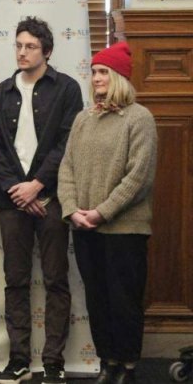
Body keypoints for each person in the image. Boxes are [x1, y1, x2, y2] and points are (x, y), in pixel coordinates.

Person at [0, 17, 83, 384]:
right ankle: (19, 359)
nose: (22, 52)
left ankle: (54, 360)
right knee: (16, 280)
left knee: (57, 279)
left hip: (53, 197)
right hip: (13, 200)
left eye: (29, 46)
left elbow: (67, 143)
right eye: (18, 45)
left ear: (47, 51)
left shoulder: (68, 89)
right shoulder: (0, 94)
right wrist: (19, 190)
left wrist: (39, 184)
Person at [58, 42, 157, 384]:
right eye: (95, 72)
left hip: (124, 230)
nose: (96, 78)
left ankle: (128, 366)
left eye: (103, 72)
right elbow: (66, 168)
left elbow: (139, 176)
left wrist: (101, 212)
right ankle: (108, 362)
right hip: (85, 229)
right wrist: (72, 210)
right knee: (98, 300)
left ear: (119, 77)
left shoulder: (139, 118)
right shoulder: (83, 119)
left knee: (123, 302)